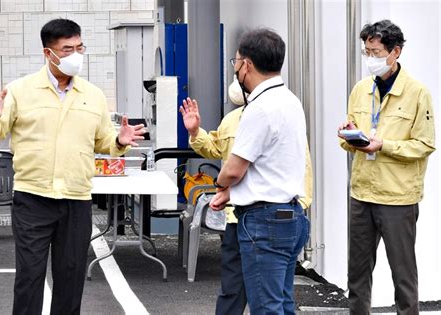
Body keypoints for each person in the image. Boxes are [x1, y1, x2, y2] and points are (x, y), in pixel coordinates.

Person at [0, 18, 145, 314]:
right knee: (30, 278)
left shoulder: (92, 95)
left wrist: (119, 139)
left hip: (76, 200)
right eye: (67, 49)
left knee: (71, 278)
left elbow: (103, 141)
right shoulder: (20, 90)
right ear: (48, 53)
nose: (76, 55)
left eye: (80, 47)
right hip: (33, 199)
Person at [180, 76, 313, 315]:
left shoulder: (272, 110)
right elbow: (214, 147)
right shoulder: (236, 118)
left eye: (239, 64)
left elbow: (300, 165)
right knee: (240, 290)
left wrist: (222, 185)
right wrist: (195, 132)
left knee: (271, 301)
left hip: (264, 215)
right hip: (239, 214)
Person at [209, 28, 309, 314]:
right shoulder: (291, 101)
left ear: (246, 65)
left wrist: (221, 185)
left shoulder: (259, 107)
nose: (236, 68)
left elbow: (235, 168)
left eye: (236, 62)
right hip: (292, 215)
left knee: (266, 307)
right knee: (282, 303)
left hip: (264, 221)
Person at [338, 20, 435, 314]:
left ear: (396, 52)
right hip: (362, 193)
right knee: (357, 275)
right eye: (367, 51)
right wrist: (347, 134)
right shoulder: (360, 89)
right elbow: (350, 141)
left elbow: (425, 144)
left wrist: (384, 145)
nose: (370, 59)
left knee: (403, 276)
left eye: (376, 52)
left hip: (397, 198)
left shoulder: (418, 93)